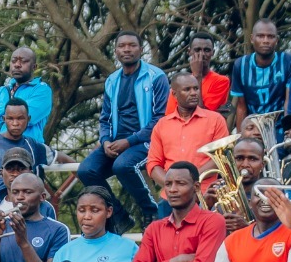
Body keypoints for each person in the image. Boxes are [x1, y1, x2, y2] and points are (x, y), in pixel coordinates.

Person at [75, 31, 169, 226]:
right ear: (116, 50)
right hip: (117, 142)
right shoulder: (112, 80)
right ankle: (119, 216)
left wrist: (129, 141)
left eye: (132, 45)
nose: (127, 49)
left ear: (141, 49)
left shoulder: (156, 77)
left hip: (147, 141)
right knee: (86, 170)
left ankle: (152, 211)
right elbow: (105, 118)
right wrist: (105, 141)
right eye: (122, 46)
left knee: (123, 165)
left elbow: (160, 119)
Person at [145, 71, 229, 201]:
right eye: (187, 89)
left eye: (196, 88)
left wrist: (189, 180)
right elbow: (153, 164)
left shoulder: (216, 120)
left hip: (207, 195)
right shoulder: (161, 125)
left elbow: (221, 158)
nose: (194, 93)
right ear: (174, 94)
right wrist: (173, 186)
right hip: (170, 198)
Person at [0, 101, 51, 209]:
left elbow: (58, 156)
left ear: (28, 119)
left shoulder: (33, 145)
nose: (15, 123)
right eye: (10, 118)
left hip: (27, 203)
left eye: (20, 118)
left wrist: (76, 167)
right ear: (4, 119)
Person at [229, 19, 291, 129]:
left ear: (276, 40)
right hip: (253, 127)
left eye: (270, 36)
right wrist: (241, 135)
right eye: (260, 36)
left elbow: (289, 102)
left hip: (281, 126)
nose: (265, 41)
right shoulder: (241, 65)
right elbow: (241, 107)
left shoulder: (289, 61)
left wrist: (288, 131)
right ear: (252, 39)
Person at [0, 45, 55, 138]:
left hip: (23, 144)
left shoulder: (42, 90)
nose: (17, 64)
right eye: (14, 61)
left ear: (34, 67)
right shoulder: (2, 90)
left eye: (23, 61)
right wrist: (9, 107)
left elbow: (26, 117)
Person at [173, 32, 231, 116]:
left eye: (207, 50)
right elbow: (170, 116)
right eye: (197, 50)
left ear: (213, 52)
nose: (202, 54)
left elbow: (202, 117)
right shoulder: (179, 83)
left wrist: (197, 76)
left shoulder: (221, 81)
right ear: (189, 52)